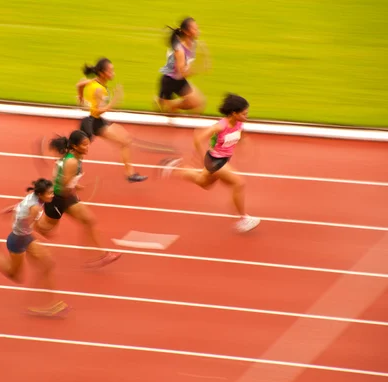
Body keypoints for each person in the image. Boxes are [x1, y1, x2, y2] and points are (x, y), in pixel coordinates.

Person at [159, 94, 260, 233]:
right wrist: (202, 157)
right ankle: (243, 218)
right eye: (244, 113)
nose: (246, 116)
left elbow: (241, 135)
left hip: (224, 159)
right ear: (234, 113)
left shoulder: (239, 123)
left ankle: (174, 167)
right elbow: (198, 137)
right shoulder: (220, 126)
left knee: (204, 183)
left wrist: (244, 144)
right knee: (239, 183)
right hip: (215, 161)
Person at [0, 179, 70, 317]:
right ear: (40, 194)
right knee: (15, 275)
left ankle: (49, 304)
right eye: (49, 193)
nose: (52, 195)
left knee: (47, 265)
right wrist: (45, 237)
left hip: (24, 237)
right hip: (18, 240)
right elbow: (31, 228)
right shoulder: (34, 208)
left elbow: (21, 206)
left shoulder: (33, 197)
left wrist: (11, 209)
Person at [35, 130, 121, 268]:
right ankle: (28, 216)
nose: (87, 147)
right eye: (84, 145)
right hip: (57, 200)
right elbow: (63, 186)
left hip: (66, 198)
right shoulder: (72, 162)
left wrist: (75, 185)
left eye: (88, 144)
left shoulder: (76, 156)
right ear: (75, 146)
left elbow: (65, 179)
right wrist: (73, 189)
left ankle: (102, 255)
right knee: (44, 229)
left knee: (89, 220)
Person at [74, 58, 148, 183]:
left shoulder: (95, 82)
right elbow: (96, 111)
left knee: (125, 140)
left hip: (96, 121)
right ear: (102, 73)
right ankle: (68, 171)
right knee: (77, 152)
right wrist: (112, 103)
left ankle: (130, 174)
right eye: (110, 71)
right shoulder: (99, 89)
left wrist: (81, 98)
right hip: (92, 123)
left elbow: (79, 85)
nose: (113, 73)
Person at [155, 17, 209, 114]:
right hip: (170, 81)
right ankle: (163, 103)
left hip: (178, 79)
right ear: (187, 32)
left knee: (199, 103)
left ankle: (166, 104)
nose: (198, 31)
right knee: (170, 113)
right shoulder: (179, 50)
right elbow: (182, 73)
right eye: (195, 29)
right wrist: (199, 67)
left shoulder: (193, 43)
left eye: (198, 28)